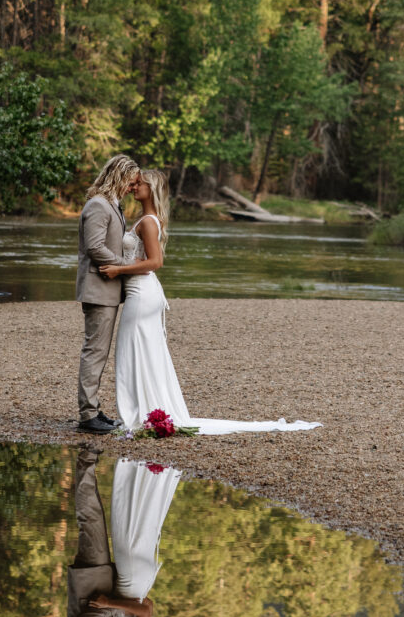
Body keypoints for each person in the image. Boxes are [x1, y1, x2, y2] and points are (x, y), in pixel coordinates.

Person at [100, 170, 322, 435]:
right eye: (134, 184)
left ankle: (140, 414)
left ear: (152, 188)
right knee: (142, 352)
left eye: (139, 184)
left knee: (132, 351)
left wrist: (117, 270)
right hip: (143, 293)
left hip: (141, 293)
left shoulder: (148, 222)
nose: (134, 187)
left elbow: (155, 263)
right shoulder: (147, 219)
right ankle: (146, 412)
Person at [69, 452, 180, 617]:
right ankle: (132, 465)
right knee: (112, 522)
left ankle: (139, 467)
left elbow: (144, 605)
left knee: (110, 522)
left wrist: (115, 603)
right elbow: (144, 609)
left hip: (113, 579)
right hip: (123, 580)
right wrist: (110, 604)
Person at [75, 154, 140, 434]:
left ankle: (93, 409)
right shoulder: (99, 205)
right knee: (95, 352)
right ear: (119, 176)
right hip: (98, 288)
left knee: (98, 351)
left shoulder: (111, 205)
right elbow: (94, 247)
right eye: (131, 182)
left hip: (107, 290)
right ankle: (88, 415)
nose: (132, 188)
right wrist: (127, 266)